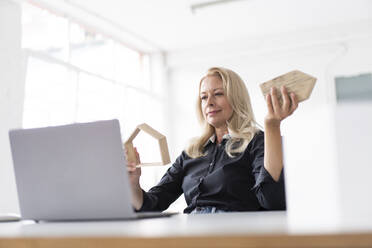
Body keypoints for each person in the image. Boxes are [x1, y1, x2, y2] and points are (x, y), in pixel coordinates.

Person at [126, 67, 298, 214]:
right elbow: (151, 204)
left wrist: (272, 127)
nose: (209, 103)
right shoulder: (191, 151)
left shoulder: (257, 141)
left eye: (218, 94)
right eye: (203, 97)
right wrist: (133, 184)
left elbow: (273, 202)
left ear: (235, 98)